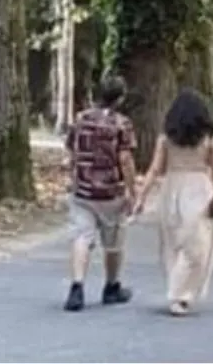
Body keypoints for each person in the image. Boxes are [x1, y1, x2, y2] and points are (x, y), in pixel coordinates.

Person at [134, 89, 213, 315]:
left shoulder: (166, 138)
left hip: (172, 189)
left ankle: (177, 290)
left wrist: (141, 196)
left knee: (173, 243)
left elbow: (155, 169)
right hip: (200, 189)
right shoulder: (208, 139)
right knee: (199, 245)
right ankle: (180, 293)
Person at [64, 75, 136, 311]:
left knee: (82, 237)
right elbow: (125, 159)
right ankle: (111, 286)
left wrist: (73, 175)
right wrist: (131, 189)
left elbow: (71, 150)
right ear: (120, 98)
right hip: (110, 191)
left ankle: (77, 286)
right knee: (113, 242)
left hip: (83, 189)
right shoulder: (121, 124)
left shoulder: (81, 119)